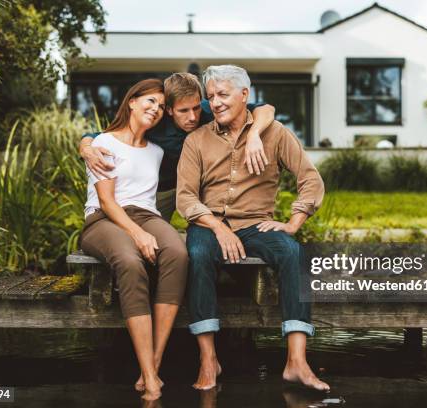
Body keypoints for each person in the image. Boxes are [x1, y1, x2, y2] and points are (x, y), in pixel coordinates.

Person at [176, 65, 329, 392]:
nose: (215, 103)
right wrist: (218, 228)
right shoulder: (196, 140)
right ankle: (208, 359)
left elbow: (310, 179)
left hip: (255, 223)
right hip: (209, 223)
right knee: (198, 254)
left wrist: (293, 222)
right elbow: (186, 197)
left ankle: (296, 362)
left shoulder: (274, 134)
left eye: (223, 94)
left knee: (294, 253)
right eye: (211, 96)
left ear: (245, 95)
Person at [79, 78, 188, 401]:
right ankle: (151, 379)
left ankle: (151, 364)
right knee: (129, 261)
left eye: (159, 105)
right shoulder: (104, 143)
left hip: (147, 215)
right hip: (103, 218)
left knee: (178, 254)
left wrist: (145, 228)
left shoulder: (157, 151)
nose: (154, 109)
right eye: (149, 101)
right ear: (131, 102)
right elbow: (109, 202)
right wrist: (137, 233)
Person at [79, 73, 276, 222]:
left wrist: (254, 135)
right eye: (184, 110)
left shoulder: (209, 109)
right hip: (164, 188)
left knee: (215, 233)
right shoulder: (154, 120)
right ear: (170, 110)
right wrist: (87, 147)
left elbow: (266, 109)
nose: (193, 117)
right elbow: (104, 135)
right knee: (147, 234)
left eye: (196, 108)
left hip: (202, 185)